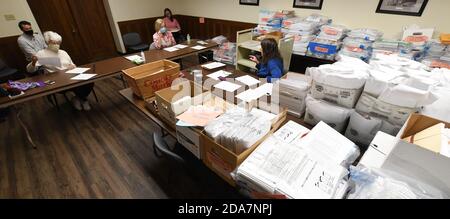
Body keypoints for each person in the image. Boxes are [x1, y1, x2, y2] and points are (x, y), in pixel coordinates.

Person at [27, 31, 94, 111]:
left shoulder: (63, 52)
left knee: (89, 82)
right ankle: (82, 99)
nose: (57, 45)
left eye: (58, 43)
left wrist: (73, 66)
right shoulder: (41, 54)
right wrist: (34, 62)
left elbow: (72, 64)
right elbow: (30, 70)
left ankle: (79, 98)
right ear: (48, 42)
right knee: (77, 86)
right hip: (57, 80)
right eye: (54, 43)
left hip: (70, 76)